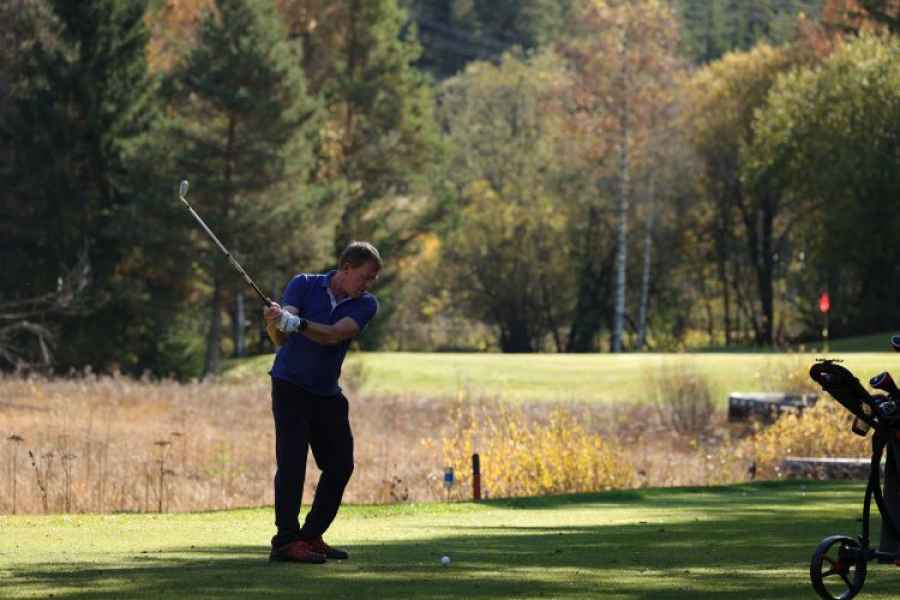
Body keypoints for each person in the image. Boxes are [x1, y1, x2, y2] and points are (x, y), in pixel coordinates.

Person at [263, 241, 382, 564]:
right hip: (289, 385)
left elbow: (334, 334)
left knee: (341, 464)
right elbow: (281, 337)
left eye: (372, 279)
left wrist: (297, 323)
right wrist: (275, 321)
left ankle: (310, 536)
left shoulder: (366, 304)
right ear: (346, 268)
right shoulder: (303, 284)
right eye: (365, 276)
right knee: (292, 463)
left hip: (327, 392)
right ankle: (285, 541)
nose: (368, 284)